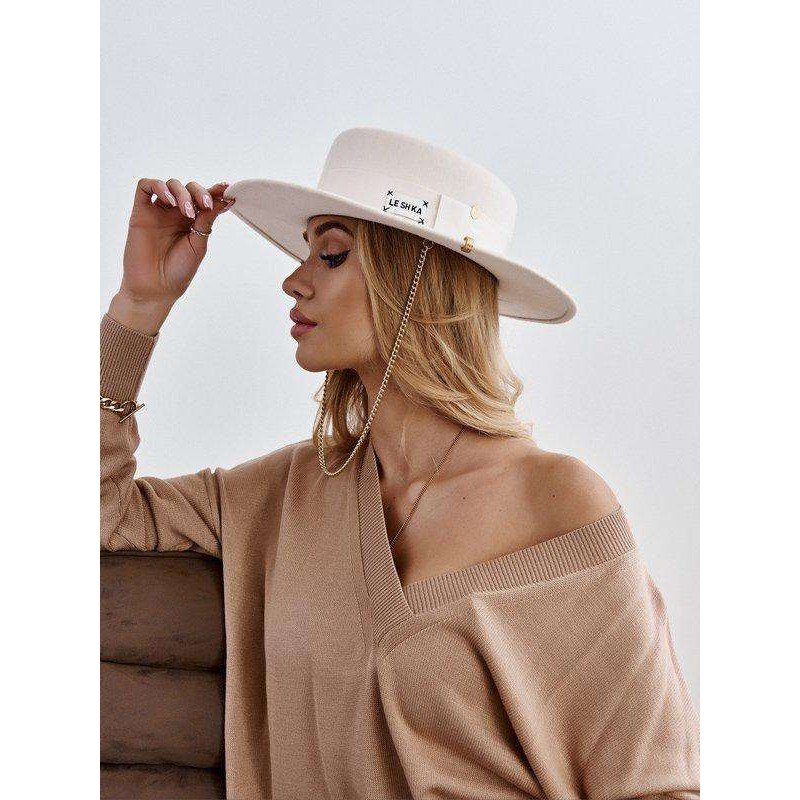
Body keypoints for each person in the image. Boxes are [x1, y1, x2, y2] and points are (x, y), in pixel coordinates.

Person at [101, 127, 700, 799]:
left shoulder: (557, 501)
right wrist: (140, 306)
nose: (294, 280)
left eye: (331, 255)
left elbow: (655, 783)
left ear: (415, 282)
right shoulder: (283, 495)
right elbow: (101, 511)